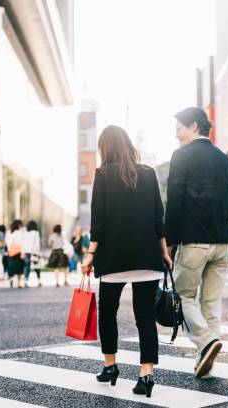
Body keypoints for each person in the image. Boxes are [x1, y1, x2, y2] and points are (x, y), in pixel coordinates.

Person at [81, 125, 172, 398]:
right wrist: (164, 252)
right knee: (145, 316)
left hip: (113, 257)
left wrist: (89, 256)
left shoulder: (103, 174)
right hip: (147, 255)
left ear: (105, 148)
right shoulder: (148, 174)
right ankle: (146, 374)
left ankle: (111, 367)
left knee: (107, 311)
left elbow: (99, 221)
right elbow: (159, 217)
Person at [165, 108, 228, 379]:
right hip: (223, 243)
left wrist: (169, 242)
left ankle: (206, 343)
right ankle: (207, 360)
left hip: (194, 242)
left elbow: (175, 202)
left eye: (179, 128)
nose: (176, 135)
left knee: (185, 296)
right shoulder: (223, 159)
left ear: (193, 126)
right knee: (211, 301)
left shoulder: (181, 156)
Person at [22, 221, 42, 288]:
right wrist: (38, 253)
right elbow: (37, 244)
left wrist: (23, 252)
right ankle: (39, 281)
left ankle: (25, 282)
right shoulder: (36, 233)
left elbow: (23, 243)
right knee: (37, 268)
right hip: (34, 252)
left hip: (26, 252)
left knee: (26, 267)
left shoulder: (25, 233)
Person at [6, 220, 24, 288]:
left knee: (11, 267)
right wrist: (22, 252)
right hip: (18, 252)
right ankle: (18, 283)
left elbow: (7, 243)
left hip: (11, 252)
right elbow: (21, 243)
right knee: (19, 268)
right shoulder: (19, 232)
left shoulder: (9, 232)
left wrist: (9, 250)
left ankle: (11, 280)